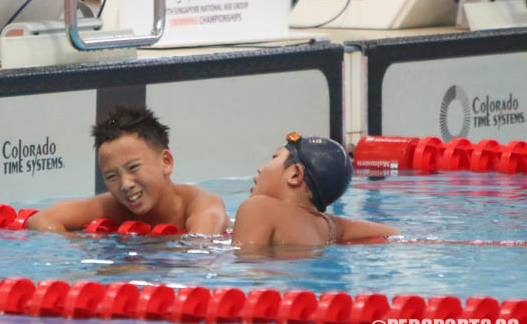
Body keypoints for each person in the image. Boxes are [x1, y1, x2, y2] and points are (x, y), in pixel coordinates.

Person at [28, 105, 230, 235]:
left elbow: (200, 252)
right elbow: (41, 220)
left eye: (133, 167)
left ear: (166, 162)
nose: (125, 184)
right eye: (111, 176)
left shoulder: (202, 204)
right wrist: (80, 244)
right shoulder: (114, 206)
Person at [232, 132, 399, 249]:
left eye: (274, 158)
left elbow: (248, 268)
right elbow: (394, 235)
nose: (260, 168)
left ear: (295, 174)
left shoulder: (259, 208)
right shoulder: (330, 227)